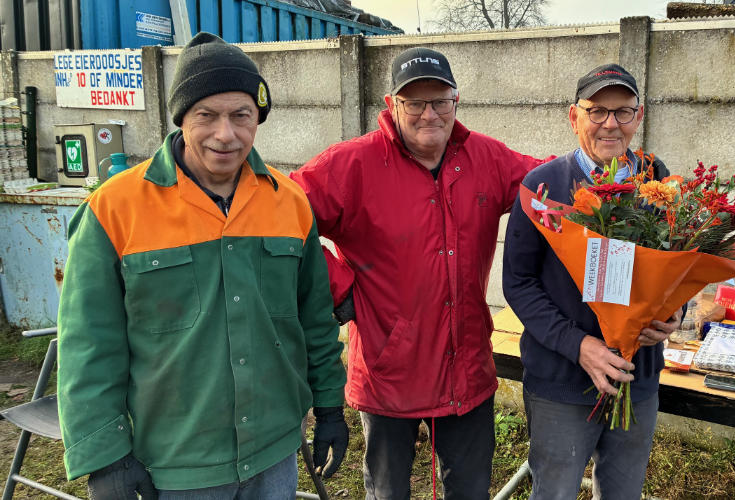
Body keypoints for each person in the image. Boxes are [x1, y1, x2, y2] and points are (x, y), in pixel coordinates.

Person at [57, 32, 348, 499]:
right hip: (173, 465)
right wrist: (103, 454)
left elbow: (314, 318)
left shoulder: (289, 203)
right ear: (181, 118)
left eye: (241, 116)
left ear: (259, 118)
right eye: (206, 116)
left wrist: (331, 406)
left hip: (274, 451)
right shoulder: (115, 209)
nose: (225, 134)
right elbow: (89, 343)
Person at [291, 47, 549, 500]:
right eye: (415, 102)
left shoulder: (484, 157)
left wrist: (618, 179)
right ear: (392, 106)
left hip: (466, 367)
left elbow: (552, 185)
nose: (429, 113)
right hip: (390, 369)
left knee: (469, 491)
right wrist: (337, 287)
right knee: (389, 493)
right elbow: (280, 214)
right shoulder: (354, 164)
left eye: (440, 101)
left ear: (456, 102)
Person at [502, 63, 683, 499]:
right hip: (561, 383)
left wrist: (674, 313)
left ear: (638, 118)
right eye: (597, 110)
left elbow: (678, 265)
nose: (610, 124)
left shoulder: (657, 181)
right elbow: (519, 283)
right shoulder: (542, 187)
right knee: (555, 491)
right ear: (574, 116)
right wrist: (580, 346)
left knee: (623, 492)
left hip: (634, 380)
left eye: (623, 112)